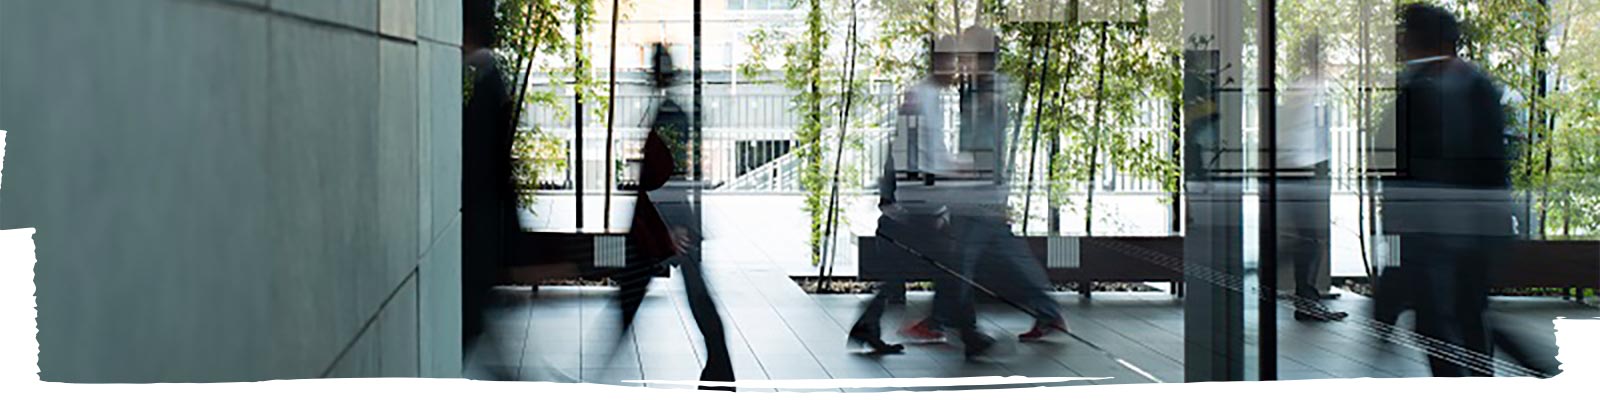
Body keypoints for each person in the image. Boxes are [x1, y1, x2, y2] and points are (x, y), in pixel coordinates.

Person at [1377, 4, 1555, 377]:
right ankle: (1501, 375)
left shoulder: (1425, 89)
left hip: (1439, 230)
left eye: (1406, 33)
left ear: (1426, 40)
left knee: (1445, 318)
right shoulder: (1477, 86)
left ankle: (1504, 374)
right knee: (1466, 313)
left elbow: (1396, 166)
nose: (1400, 41)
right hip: (1462, 228)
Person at [606, 43, 737, 390]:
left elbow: (669, 173)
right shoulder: (671, 110)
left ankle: (721, 368)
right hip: (664, 219)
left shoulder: (669, 113)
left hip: (665, 221)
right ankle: (720, 368)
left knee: (682, 292)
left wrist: (673, 227)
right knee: (687, 292)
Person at [459, 0, 518, 381]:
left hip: (481, 228)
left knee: (473, 328)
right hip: (485, 228)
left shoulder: (487, 84)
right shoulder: (491, 81)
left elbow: (484, 165)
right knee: (478, 332)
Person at [1275, 34, 1347, 322]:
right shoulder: (1306, 88)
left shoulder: (1305, 87)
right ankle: (1305, 299)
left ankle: (1307, 298)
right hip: (1302, 170)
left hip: (1304, 169)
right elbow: (1294, 133)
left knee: (1310, 238)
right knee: (1310, 238)